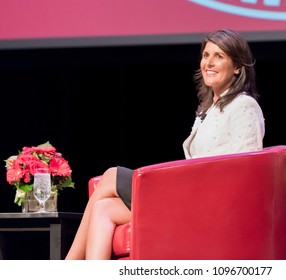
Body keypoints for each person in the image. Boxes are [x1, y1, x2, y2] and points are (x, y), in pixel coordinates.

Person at [65, 29, 265, 260]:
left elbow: (246, 170)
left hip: (207, 202)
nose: (208, 62)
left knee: (112, 175)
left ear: (238, 66)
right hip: (190, 196)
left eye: (219, 56)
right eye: (206, 55)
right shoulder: (207, 109)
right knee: (103, 209)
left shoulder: (244, 106)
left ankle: (67, 265)